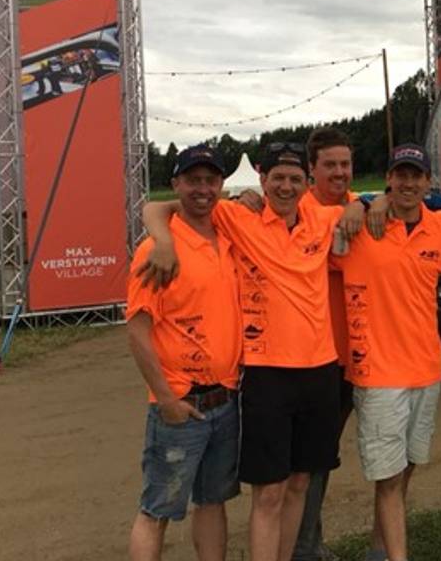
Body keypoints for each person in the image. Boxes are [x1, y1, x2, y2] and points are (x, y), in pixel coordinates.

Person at [140, 142, 365, 561]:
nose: (285, 186)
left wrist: (361, 207)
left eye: (294, 178)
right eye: (277, 178)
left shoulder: (324, 216)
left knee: (299, 483)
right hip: (267, 375)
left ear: (306, 183)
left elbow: (368, 204)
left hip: (319, 371)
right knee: (270, 492)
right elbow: (159, 208)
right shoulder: (236, 215)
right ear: (261, 179)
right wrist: (162, 241)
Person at [332, 143, 441, 561]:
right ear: (389, 178)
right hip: (378, 373)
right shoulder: (357, 224)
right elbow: (311, 210)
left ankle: (377, 548)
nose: (408, 183)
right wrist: (361, 203)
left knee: (406, 467)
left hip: (425, 369)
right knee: (386, 478)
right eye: (400, 175)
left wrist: (372, 199)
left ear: (427, 182)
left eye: (416, 175)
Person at [126, 146, 241, 561]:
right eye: (193, 180)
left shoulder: (227, 238)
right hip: (181, 405)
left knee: (213, 502)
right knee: (157, 509)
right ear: (176, 184)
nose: (203, 189)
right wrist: (167, 399)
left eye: (211, 180)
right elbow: (137, 331)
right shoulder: (156, 251)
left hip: (225, 401)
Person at [292, 127, 360, 561]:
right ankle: (303, 546)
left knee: (323, 454)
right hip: (307, 356)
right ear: (311, 168)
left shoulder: (360, 206)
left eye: (345, 165)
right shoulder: (294, 210)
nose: (339, 172)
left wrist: (376, 201)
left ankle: (307, 541)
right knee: (306, 460)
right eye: (329, 165)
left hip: (351, 356)